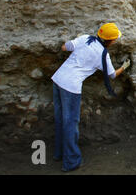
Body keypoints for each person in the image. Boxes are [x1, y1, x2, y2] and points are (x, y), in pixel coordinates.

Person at [51, 22, 131, 172]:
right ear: (111, 41)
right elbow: (112, 75)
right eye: (115, 39)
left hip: (58, 79)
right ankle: (71, 162)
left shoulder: (85, 38)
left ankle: (59, 154)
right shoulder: (103, 54)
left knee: (60, 118)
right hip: (71, 87)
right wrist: (124, 67)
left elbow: (64, 47)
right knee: (71, 123)